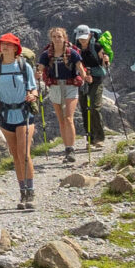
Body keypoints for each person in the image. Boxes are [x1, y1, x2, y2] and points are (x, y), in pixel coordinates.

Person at [0, 35, 42, 208]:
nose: (5, 47)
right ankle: (23, 193)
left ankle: (30, 192)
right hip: (5, 115)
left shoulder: (24, 66)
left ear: (16, 48)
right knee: (15, 154)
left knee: (23, 153)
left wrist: (33, 95)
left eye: (8, 45)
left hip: (24, 113)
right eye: (3, 45)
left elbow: (34, 88)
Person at [39, 28, 90, 166]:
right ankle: (67, 147)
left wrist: (86, 78)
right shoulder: (46, 55)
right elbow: (40, 68)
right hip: (55, 87)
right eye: (54, 36)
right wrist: (37, 74)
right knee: (61, 120)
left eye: (59, 36)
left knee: (68, 118)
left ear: (65, 37)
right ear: (51, 38)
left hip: (70, 86)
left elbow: (80, 67)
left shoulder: (72, 52)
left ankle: (71, 149)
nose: (57, 39)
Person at [73, 24, 110, 150]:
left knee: (94, 107)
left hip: (96, 79)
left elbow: (104, 59)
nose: (82, 40)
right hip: (82, 80)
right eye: (80, 38)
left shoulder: (96, 46)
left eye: (84, 37)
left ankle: (99, 138)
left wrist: (106, 59)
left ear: (89, 35)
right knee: (85, 109)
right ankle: (90, 138)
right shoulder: (75, 48)